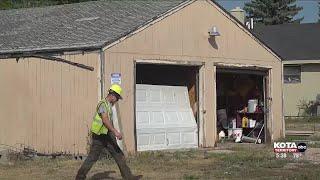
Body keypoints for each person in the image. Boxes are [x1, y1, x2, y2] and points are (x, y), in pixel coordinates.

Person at [76, 84, 141, 180]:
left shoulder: (109, 105)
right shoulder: (102, 105)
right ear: (113, 95)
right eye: (118, 98)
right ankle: (80, 177)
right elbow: (105, 120)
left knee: (118, 154)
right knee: (92, 157)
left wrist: (112, 132)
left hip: (107, 135)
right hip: (99, 136)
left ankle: (128, 177)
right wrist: (115, 132)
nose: (118, 100)